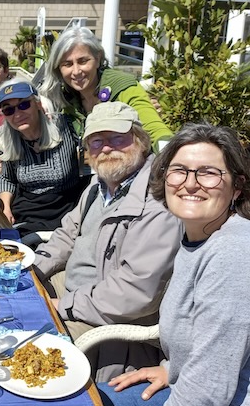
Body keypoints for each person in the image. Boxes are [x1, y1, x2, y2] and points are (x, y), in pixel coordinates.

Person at [99, 123, 250, 406]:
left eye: (210, 174)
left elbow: (213, 382)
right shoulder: (198, 235)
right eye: (179, 170)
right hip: (196, 398)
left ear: (237, 186)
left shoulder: (234, 250)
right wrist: (173, 367)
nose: (191, 183)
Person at [34, 102, 182, 381]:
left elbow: (135, 293)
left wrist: (63, 304)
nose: (106, 147)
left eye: (118, 138)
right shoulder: (99, 185)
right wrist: (33, 269)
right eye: (97, 141)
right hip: (73, 291)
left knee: (28, 348)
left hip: (103, 323)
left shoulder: (158, 204)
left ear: (140, 141)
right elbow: (67, 233)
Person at [37, 27, 172, 152]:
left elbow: (155, 130)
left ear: (98, 58)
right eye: (67, 64)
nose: (76, 71)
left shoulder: (121, 86)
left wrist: (174, 158)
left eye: (83, 61)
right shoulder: (62, 97)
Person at [0, 80, 85, 241]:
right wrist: (6, 207)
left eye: (23, 105)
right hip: (26, 214)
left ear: (38, 104)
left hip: (65, 213)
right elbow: (8, 178)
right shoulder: (10, 141)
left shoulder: (65, 126)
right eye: (9, 110)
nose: (18, 114)